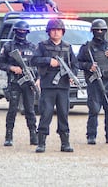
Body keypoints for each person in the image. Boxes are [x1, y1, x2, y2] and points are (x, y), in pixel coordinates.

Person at [31, 19, 77, 153]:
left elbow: (75, 64)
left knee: (63, 114)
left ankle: (65, 142)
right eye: (53, 30)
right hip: (48, 85)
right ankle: (41, 143)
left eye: (59, 30)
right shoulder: (42, 46)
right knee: (46, 113)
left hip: (63, 86)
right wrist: (48, 61)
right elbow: (33, 60)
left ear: (63, 32)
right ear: (49, 32)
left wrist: (72, 75)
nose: (56, 32)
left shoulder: (68, 47)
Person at [77, 19, 108, 145]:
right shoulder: (87, 47)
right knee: (94, 109)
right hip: (95, 82)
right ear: (92, 31)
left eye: (102, 30)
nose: (99, 32)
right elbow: (77, 63)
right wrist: (89, 66)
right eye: (97, 30)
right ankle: (91, 136)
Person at [0, 20, 38, 147]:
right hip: (15, 82)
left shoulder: (33, 47)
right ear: (15, 31)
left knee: (30, 110)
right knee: (12, 109)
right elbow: (1, 64)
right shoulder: (8, 47)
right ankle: (8, 136)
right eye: (19, 31)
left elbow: (37, 65)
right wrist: (12, 68)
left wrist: (36, 79)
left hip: (28, 83)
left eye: (24, 31)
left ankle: (33, 135)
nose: (21, 33)